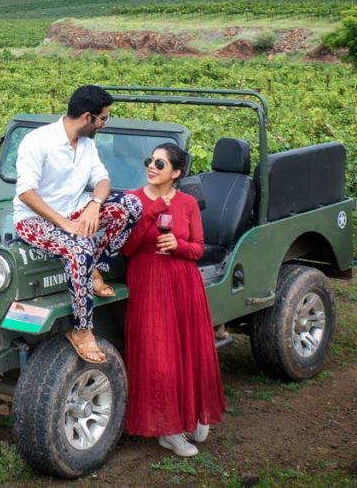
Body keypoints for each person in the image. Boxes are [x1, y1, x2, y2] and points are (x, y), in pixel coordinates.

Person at [13, 85, 142, 364]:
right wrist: (65, 225)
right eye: (103, 119)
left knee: (130, 206)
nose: (104, 124)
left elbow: (103, 181)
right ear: (87, 117)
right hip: (33, 219)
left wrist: (94, 205)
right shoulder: (38, 141)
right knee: (79, 248)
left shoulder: (87, 144)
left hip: (75, 210)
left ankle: (95, 269)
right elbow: (26, 192)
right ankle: (82, 329)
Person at [121, 143, 226, 457]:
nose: (151, 166)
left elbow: (197, 248)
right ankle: (169, 431)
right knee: (160, 355)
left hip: (183, 282)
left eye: (160, 163)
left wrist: (177, 244)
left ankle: (192, 414)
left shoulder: (188, 203)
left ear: (177, 172)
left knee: (189, 350)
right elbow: (126, 248)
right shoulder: (133, 200)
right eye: (150, 160)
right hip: (149, 281)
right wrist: (151, 212)